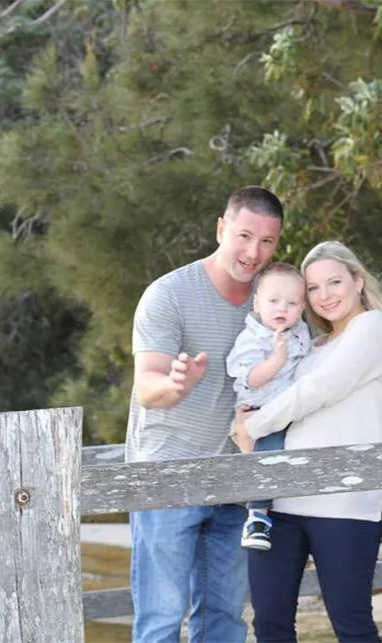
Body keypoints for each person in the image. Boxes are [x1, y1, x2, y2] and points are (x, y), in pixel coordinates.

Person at [125, 186, 284, 643]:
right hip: (167, 478)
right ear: (221, 229)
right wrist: (175, 385)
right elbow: (147, 385)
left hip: (236, 484)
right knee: (160, 622)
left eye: (268, 242)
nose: (254, 252)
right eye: (244, 236)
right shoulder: (168, 295)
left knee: (224, 622)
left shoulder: (272, 302)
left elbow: (302, 376)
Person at [230, 240, 382, 643]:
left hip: (344, 502)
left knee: (352, 626)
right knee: (271, 626)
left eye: (334, 282)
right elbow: (273, 400)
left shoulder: (374, 327)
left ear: (358, 281)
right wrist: (246, 427)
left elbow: (317, 392)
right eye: (312, 288)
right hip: (281, 502)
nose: (324, 295)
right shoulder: (310, 345)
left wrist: (252, 429)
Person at [225, 262, 312, 551]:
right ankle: (257, 516)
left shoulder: (299, 331)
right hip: (262, 412)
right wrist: (276, 359)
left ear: (301, 308)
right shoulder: (252, 338)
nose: (282, 308)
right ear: (258, 303)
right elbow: (251, 378)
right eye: (274, 301)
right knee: (268, 452)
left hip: (291, 409)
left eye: (291, 303)